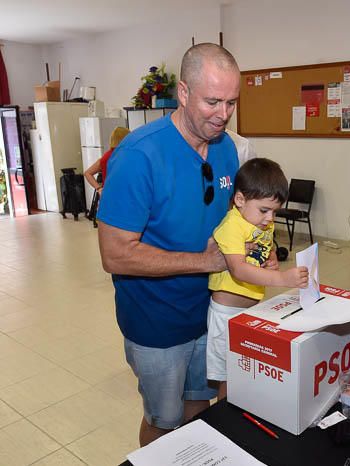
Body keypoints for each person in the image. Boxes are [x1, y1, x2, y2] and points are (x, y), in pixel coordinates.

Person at [97, 43, 249, 446]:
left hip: (212, 312)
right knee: (163, 422)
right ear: (183, 93)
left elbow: (230, 219)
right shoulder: (138, 154)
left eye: (231, 102)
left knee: (199, 406)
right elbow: (114, 253)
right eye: (213, 101)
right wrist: (204, 262)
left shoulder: (227, 149)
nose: (223, 114)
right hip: (156, 321)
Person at [207, 157, 308, 399]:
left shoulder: (262, 222)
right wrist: (283, 279)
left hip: (252, 310)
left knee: (245, 372)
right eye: (264, 210)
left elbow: (266, 249)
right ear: (240, 199)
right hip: (226, 315)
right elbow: (239, 270)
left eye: (275, 211)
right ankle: (226, 422)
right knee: (229, 378)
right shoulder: (232, 226)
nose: (270, 218)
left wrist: (272, 258)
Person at [84, 126, 130, 195]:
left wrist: (99, 188)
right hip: (122, 195)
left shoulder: (106, 156)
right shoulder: (125, 155)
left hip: (108, 196)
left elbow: (87, 173)